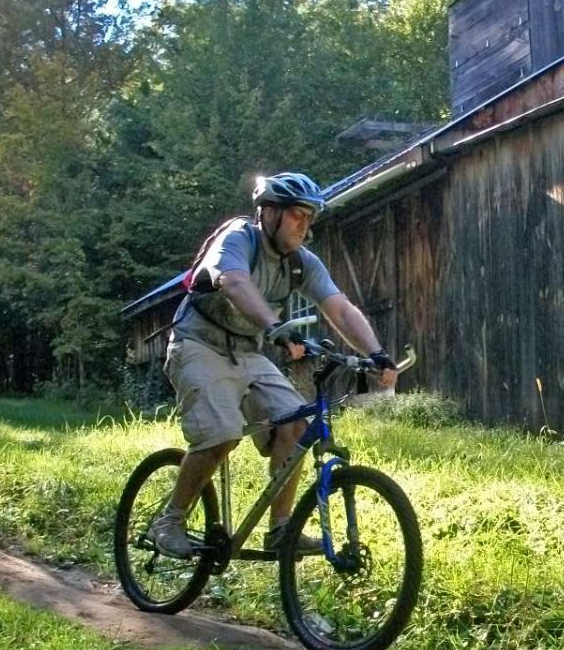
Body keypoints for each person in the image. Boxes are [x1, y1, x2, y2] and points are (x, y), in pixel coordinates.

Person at [148, 171, 397, 558]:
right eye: (298, 214)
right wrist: (275, 326)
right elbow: (232, 283)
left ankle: (281, 529)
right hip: (198, 343)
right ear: (269, 212)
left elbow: (341, 309)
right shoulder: (236, 239)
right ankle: (169, 521)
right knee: (222, 433)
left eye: (310, 216)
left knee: (296, 424)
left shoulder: (301, 263)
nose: (305, 224)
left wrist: (376, 353)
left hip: (247, 352)